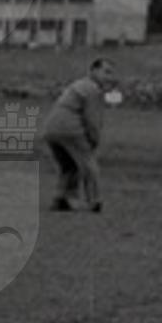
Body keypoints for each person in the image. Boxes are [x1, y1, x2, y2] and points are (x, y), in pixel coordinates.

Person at [42, 56, 113, 212]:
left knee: (69, 166)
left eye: (110, 73)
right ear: (93, 71)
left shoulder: (78, 84)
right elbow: (92, 120)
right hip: (70, 129)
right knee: (89, 164)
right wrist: (94, 140)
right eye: (106, 72)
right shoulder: (93, 90)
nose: (109, 77)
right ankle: (95, 201)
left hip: (50, 129)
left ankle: (62, 198)